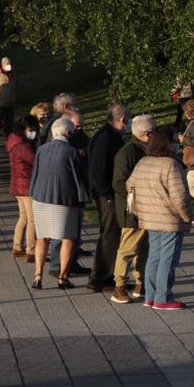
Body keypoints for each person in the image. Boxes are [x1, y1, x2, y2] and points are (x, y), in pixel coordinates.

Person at [128, 131, 193, 309]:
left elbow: (130, 185)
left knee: (154, 256)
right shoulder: (171, 164)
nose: (177, 144)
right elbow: (180, 197)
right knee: (168, 258)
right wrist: (187, 217)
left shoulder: (142, 162)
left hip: (149, 218)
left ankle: (150, 295)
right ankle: (162, 298)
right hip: (170, 219)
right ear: (168, 144)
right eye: (174, 142)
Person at [28, 116, 88, 287]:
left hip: (41, 198)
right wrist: (83, 197)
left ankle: (37, 276)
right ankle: (63, 276)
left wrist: (33, 192)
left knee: (42, 238)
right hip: (64, 200)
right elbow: (78, 178)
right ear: (68, 133)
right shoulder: (71, 152)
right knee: (68, 238)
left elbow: (36, 173)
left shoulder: (41, 149)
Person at [85, 103, 129, 294]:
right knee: (110, 234)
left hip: (107, 193)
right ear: (122, 119)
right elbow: (98, 169)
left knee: (111, 234)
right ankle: (100, 277)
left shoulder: (107, 135)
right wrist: (107, 194)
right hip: (107, 195)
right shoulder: (107, 138)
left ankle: (105, 274)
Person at [110, 114, 152, 303]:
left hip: (145, 207)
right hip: (131, 209)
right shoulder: (127, 153)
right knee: (128, 248)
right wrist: (138, 194)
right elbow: (119, 183)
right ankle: (119, 285)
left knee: (143, 248)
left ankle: (140, 283)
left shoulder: (146, 149)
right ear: (146, 134)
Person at [6, 109, 39, 263]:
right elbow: (35, 161)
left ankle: (17, 246)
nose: (33, 133)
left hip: (18, 184)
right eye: (31, 130)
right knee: (32, 220)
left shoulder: (14, 141)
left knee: (24, 217)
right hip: (26, 185)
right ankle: (31, 250)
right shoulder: (22, 146)